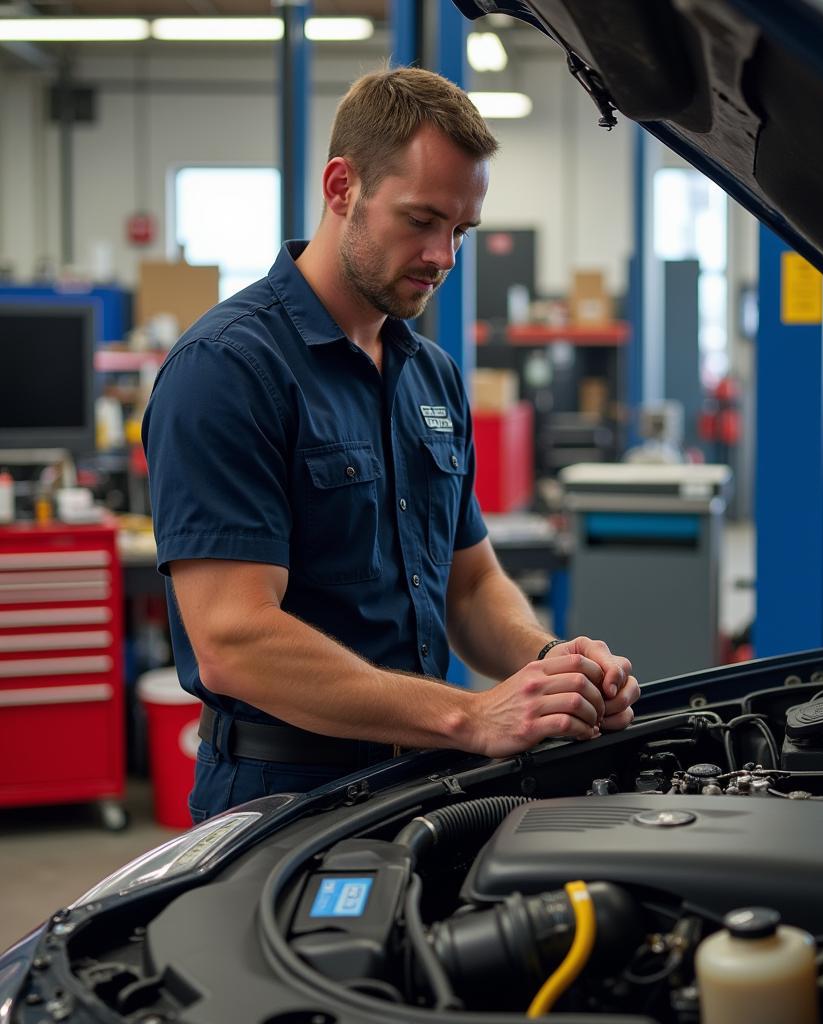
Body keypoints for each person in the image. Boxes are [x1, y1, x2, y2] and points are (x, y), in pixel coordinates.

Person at [142, 67, 640, 824]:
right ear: (342, 186)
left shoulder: (430, 375)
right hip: (283, 799)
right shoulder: (229, 370)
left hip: (422, 780)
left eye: (461, 232)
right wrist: (471, 717)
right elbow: (234, 640)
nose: (443, 255)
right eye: (422, 220)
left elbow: (469, 588)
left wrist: (552, 666)